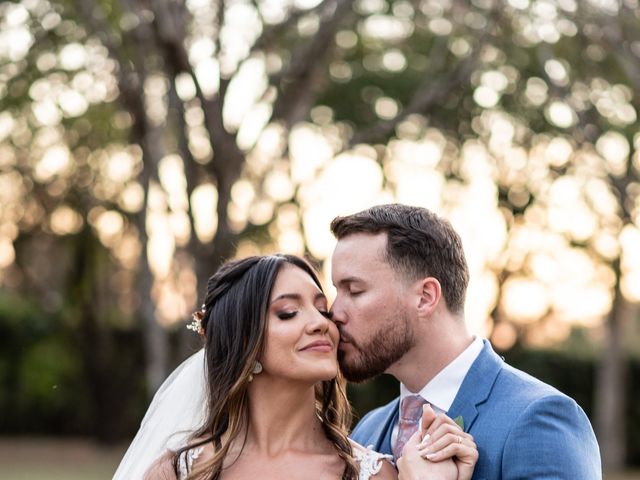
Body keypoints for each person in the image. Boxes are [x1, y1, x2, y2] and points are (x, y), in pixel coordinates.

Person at [114, 254, 477, 480]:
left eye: (322, 309)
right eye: (288, 312)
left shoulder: (373, 473)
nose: (322, 322)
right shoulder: (181, 472)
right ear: (243, 343)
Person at [329, 204, 602, 479]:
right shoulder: (368, 431)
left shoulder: (539, 420)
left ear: (425, 297)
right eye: (336, 291)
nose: (334, 312)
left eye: (354, 290)